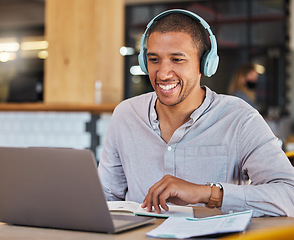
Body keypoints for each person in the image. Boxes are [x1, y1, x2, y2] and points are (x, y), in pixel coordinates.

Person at [98, 9, 294, 217]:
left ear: (205, 64)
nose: (163, 73)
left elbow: (289, 194)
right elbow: (105, 197)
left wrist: (206, 193)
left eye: (177, 59)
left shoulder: (240, 119)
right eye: (154, 59)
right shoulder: (125, 115)